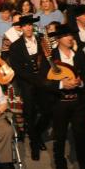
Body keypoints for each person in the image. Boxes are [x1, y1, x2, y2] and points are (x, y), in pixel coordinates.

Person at [43, 24, 85, 169]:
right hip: (59, 103)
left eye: (72, 35)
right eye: (67, 35)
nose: (71, 38)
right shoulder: (51, 56)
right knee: (60, 138)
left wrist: (80, 82)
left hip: (77, 102)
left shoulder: (78, 55)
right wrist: (61, 85)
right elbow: (43, 81)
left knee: (81, 139)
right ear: (58, 39)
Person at [8, 15, 51, 161]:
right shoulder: (15, 46)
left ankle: (37, 134)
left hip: (42, 81)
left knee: (47, 111)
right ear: (21, 28)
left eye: (30, 25)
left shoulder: (40, 41)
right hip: (27, 83)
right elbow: (18, 69)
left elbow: (46, 60)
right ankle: (34, 143)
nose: (28, 28)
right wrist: (35, 80)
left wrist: (43, 79)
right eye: (25, 25)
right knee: (30, 114)